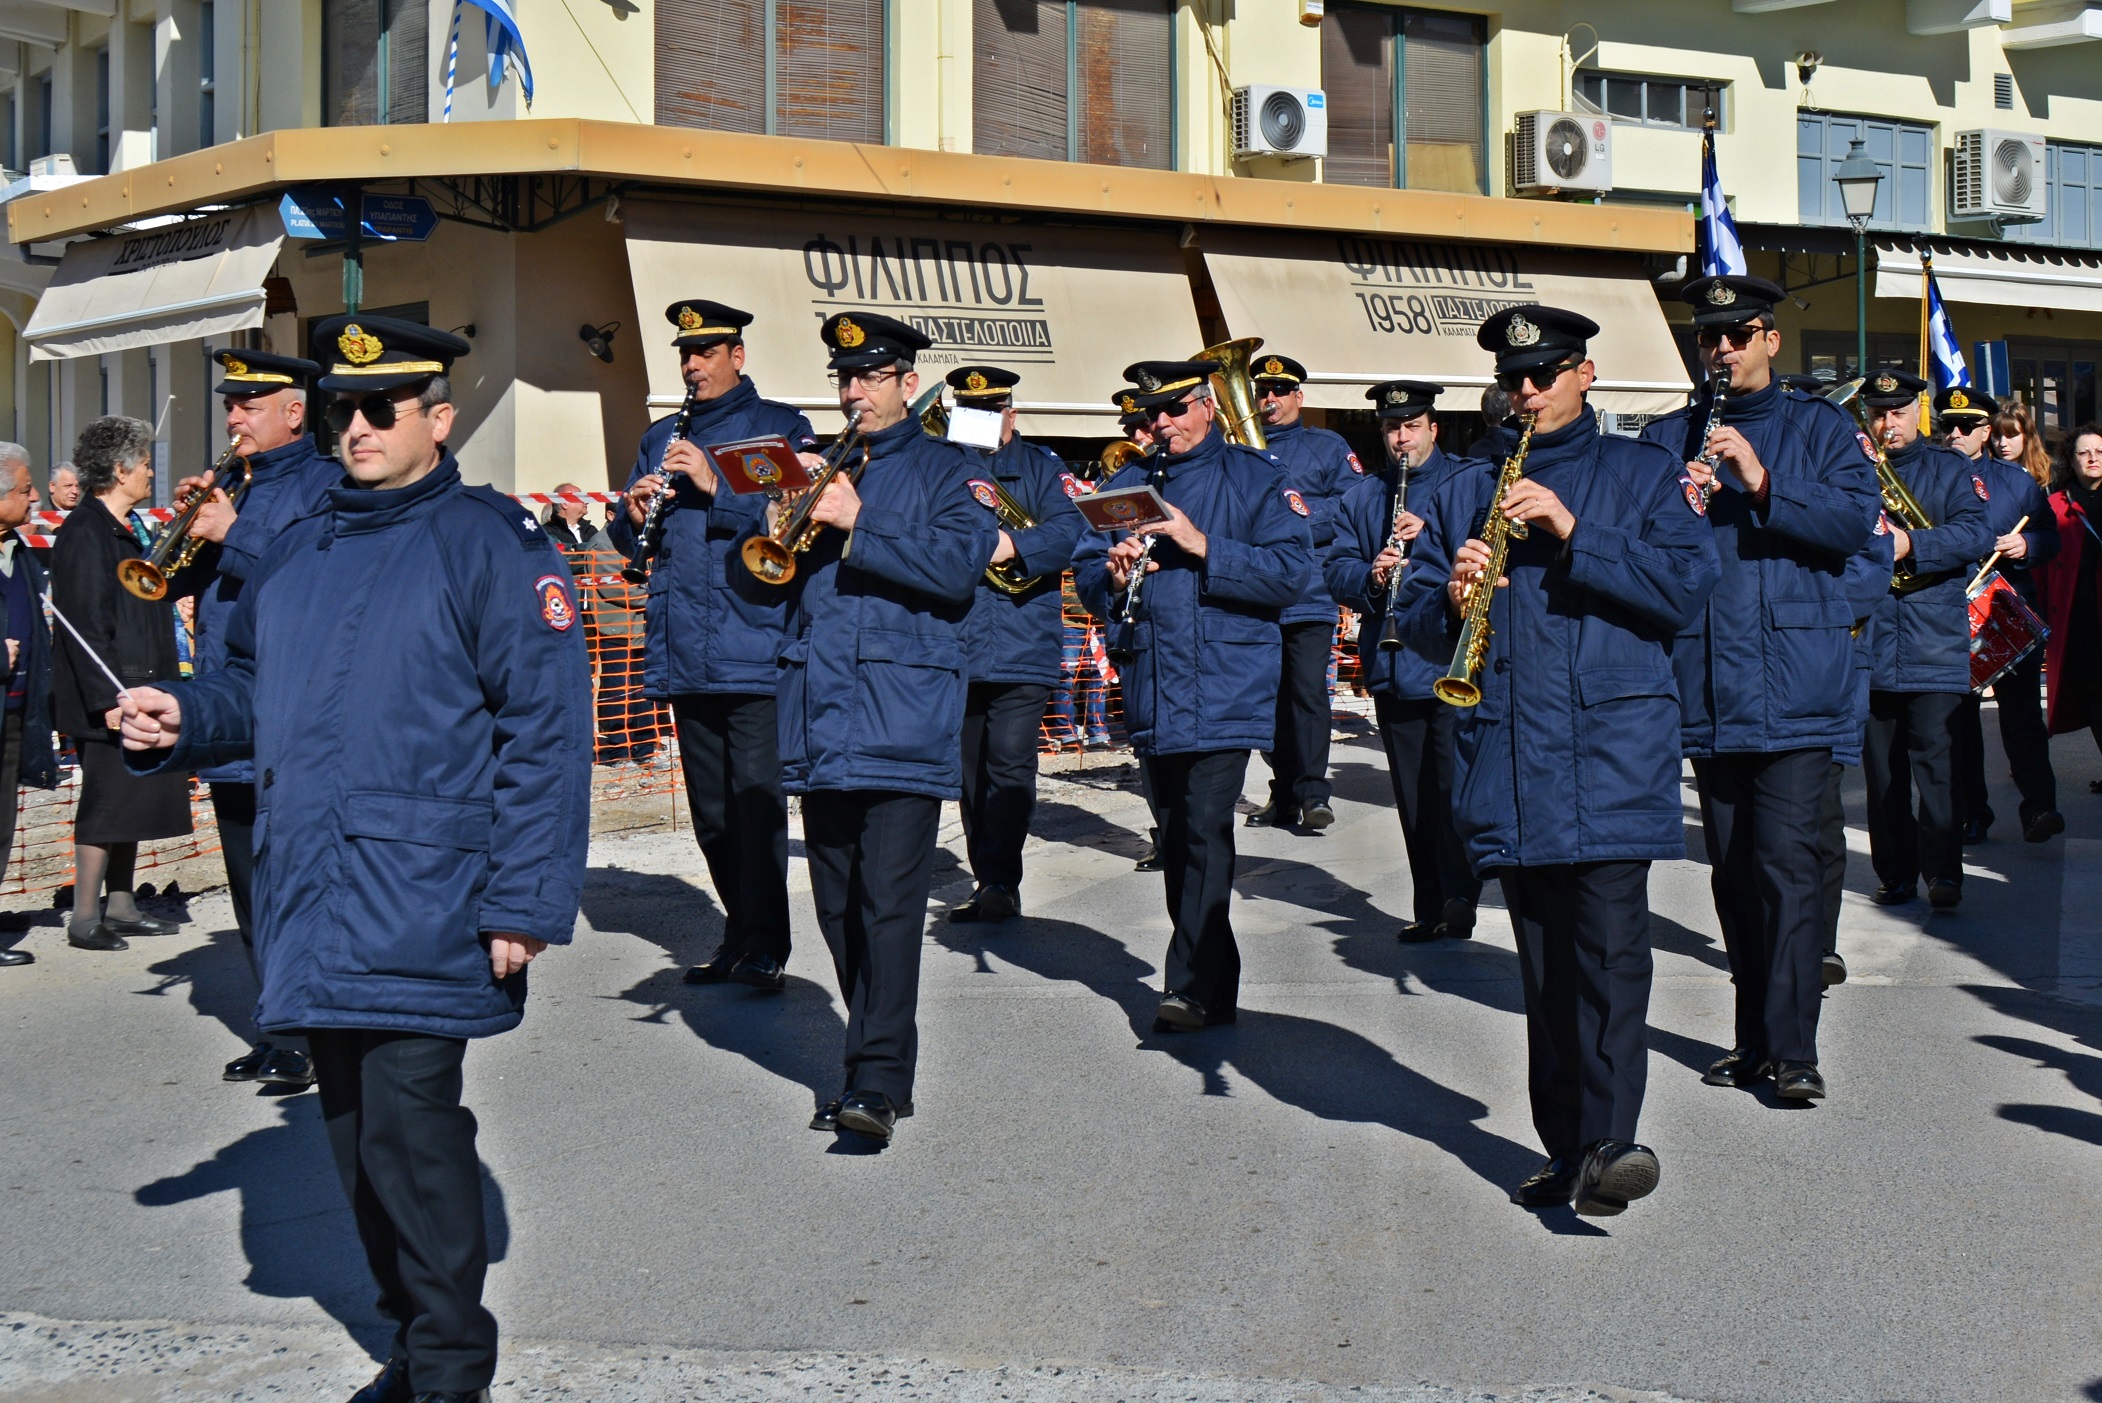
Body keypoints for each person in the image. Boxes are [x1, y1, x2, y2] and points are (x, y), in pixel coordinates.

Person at [119, 314, 591, 1403]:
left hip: (429, 888)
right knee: (352, 1139)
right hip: (313, 886)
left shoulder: (490, 540)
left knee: (413, 1133)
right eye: (343, 408)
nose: (359, 426)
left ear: (440, 417)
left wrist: (522, 897)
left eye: (384, 408)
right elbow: (250, 688)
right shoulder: (302, 542)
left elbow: (546, 731)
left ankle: (449, 1367)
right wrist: (179, 715)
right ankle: (412, 1344)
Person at [1395, 305, 1718, 1216]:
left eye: (1544, 374)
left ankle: (1614, 1143)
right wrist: (1451, 599)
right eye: (1513, 378)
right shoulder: (1463, 487)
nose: (1526, 391)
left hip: (1612, 751)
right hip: (1507, 752)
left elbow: (1685, 589)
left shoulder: (1640, 471)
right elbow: (1414, 624)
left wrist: (1577, 529)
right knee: (1545, 971)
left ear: (1585, 373)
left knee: (1611, 959)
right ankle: (1570, 1146)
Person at [751, 311, 993, 1143]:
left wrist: (860, 522)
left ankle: (876, 1080)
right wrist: (778, 518)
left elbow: (961, 571)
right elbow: (769, 586)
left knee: (890, 906)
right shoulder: (821, 465)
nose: (853, 390)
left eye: (870, 375)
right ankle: (881, 1052)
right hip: (821, 717)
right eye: (844, 376)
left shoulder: (950, 470)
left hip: (905, 713)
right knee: (838, 908)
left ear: (903, 380)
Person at [1639, 275, 1880, 1103]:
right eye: (1710, 336)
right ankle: (1752, 1041)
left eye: (1739, 333)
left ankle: (1793, 1049)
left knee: (1785, 867)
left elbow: (1854, 524)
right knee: (1735, 874)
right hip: (1705, 681)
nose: (1723, 348)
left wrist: (1765, 481)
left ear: (1770, 339)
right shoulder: (1671, 434)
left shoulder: (1819, 426)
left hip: (1793, 684)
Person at [1073, 360, 1311, 1033]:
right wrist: (1113, 577)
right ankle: (1215, 978)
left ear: (1207, 405)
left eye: (1174, 409)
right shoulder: (1124, 484)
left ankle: (1191, 985)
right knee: (1177, 836)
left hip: (1225, 683)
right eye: (1150, 415)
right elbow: (1089, 578)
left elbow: (1292, 574)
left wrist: (1199, 542)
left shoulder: (1256, 478)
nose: (1161, 425)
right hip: (1152, 681)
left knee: (1205, 832)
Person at [605, 301, 816, 991]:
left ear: (738, 356)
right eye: (685, 355)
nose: (692, 365)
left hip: (753, 639)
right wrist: (633, 517)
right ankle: (738, 931)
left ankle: (767, 943)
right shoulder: (660, 434)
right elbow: (639, 543)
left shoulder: (777, 427)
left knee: (756, 807)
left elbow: (795, 519)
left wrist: (713, 484)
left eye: (706, 352)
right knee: (713, 815)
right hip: (684, 647)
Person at [177, 347, 341, 1088]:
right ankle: (281, 1029)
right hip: (231, 712)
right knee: (249, 886)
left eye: (248, 405)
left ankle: (317, 1032)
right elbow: (187, 588)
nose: (234, 418)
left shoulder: (325, 482)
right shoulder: (234, 482)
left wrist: (230, 531)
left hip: (290, 713)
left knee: (296, 885)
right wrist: (184, 532)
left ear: (293, 411)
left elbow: (315, 577)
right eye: (230, 406)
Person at [1323, 380, 1481, 942]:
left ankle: (1463, 891)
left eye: (1412, 426)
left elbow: (1487, 548)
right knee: (1414, 795)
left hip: (1452, 660)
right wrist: (1372, 572)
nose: (1400, 438)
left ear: (1433, 428)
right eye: (1392, 428)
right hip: (1393, 662)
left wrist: (1434, 540)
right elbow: (1336, 570)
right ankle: (1433, 904)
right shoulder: (1363, 497)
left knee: (1454, 789)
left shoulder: (1466, 482)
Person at [48, 416, 193, 954]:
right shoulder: (85, 531)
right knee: (107, 801)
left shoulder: (125, 527)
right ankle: (85, 916)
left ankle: (122, 904)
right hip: (111, 691)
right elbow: (83, 624)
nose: (151, 472)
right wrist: (107, 698)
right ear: (119, 469)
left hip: (141, 682)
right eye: (146, 463)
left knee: (134, 796)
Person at [947, 365, 1084, 924]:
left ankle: (1002, 878)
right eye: (968, 412)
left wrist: (1010, 546)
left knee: (1008, 765)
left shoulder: (1043, 467)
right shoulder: (943, 466)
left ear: (1010, 412)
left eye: (989, 411)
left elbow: (1072, 528)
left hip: (1023, 638)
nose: (979, 422)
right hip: (958, 638)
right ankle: (988, 878)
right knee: (968, 770)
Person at [1856, 371, 1994, 911]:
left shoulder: (1949, 468)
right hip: (1871, 639)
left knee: (1937, 768)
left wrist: (1912, 541)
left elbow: (1977, 534)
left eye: (1896, 412)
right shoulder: (1856, 471)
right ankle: (1895, 873)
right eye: (1876, 413)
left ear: (1918, 413)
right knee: (1883, 773)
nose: (1886, 423)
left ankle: (1944, 873)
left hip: (1933, 639)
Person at [1936, 388, 2061, 844]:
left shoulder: (2016, 482)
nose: (1954, 434)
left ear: (1986, 432)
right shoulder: (1927, 477)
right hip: (1950, 612)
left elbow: (2050, 534)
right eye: (1947, 425)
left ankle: (2039, 806)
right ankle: (1972, 813)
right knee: (1962, 723)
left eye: (1965, 427)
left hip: (2007, 609)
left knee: (2022, 716)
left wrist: (2027, 545)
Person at [1245, 354, 1358, 832]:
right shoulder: (1238, 450)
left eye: (1280, 392)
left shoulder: (1327, 445)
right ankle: (1284, 792)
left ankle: (1313, 791)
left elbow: (1354, 503)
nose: (1270, 400)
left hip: (1309, 592)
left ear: (1298, 397)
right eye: (1263, 393)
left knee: (1307, 695)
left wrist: (1292, 514)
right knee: (1265, 700)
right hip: (1255, 592)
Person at [0, 451, 57, 966]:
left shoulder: (20, 551)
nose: (34, 497)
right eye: (24, 489)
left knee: (1, 822)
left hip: (14, 711)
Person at [2038, 425, 2102, 770]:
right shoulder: (2056, 505)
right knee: (2093, 693)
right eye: (2084, 452)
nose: (2093, 458)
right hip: (2079, 618)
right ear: (2071, 460)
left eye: (2099, 451)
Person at [542, 481, 607, 555]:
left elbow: (603, 553)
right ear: (564, 503)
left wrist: (573, 550)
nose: (586, 502)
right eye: (580, 497)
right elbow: (562, 559)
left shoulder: (591, 530)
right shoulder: (547, 531)